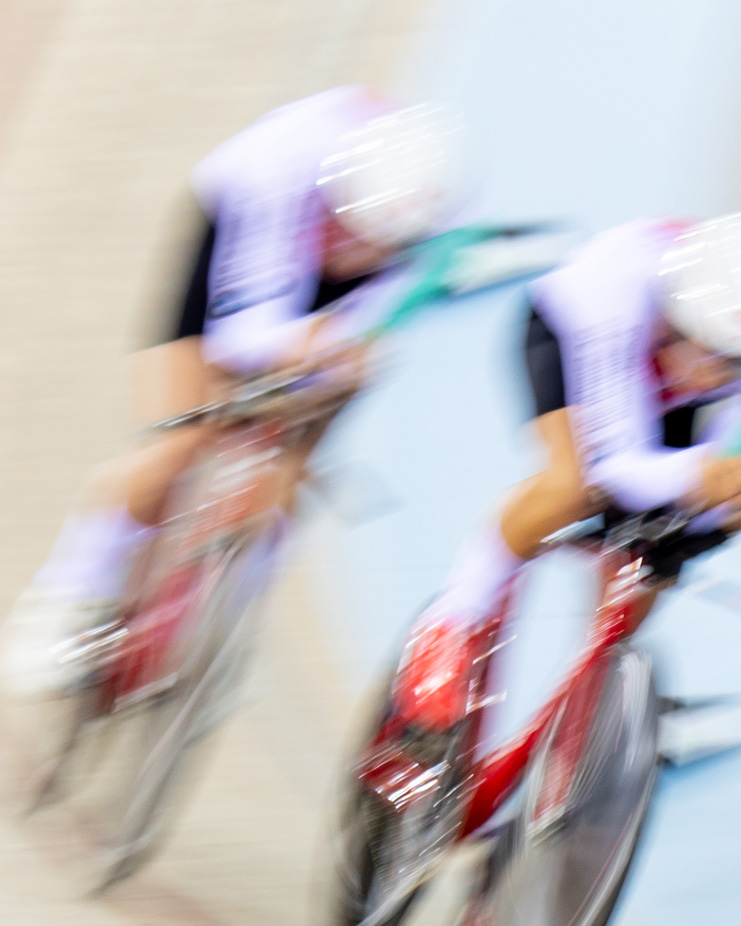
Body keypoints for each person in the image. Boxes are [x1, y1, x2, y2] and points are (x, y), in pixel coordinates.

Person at [5, 87, 463, 695]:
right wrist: (306, 345)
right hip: (243, 242)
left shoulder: (422, 217)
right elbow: (240, 336)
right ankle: (67, 593)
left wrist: (340, 357)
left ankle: (223, 637)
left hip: (337, 277)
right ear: (335, 200)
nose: (361, 254)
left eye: (382, 245)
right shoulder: (275, 172)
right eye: (354, 234)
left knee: (290, 474)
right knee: (182, 438)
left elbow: (379, 318)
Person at [389, 210, 741, 735]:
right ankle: (450, 623)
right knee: (572, 488)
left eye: (737, 363)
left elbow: (728, 465)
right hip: (578, 339)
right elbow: (615, 469)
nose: (713, 371)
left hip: (661, 376)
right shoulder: (614, 289)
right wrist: (697, 476)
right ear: (676, 310)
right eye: (705, 348)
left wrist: (719, 513)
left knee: (664, 544)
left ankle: (589, 695)